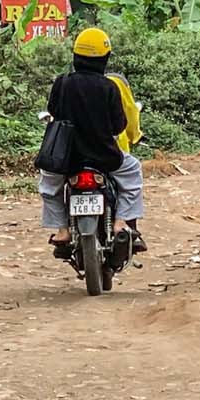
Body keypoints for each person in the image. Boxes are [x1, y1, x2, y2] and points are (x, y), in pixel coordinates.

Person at [41, 26, 145, 257]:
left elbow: (53, 111)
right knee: (133, 174)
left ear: (76, 57)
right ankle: (120, 222)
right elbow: (119, 126)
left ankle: (62, 230)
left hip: (66, 158)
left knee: (49, 187)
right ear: (104, 59)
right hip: (104, 157)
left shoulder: (62, 82)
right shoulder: (109, 87)